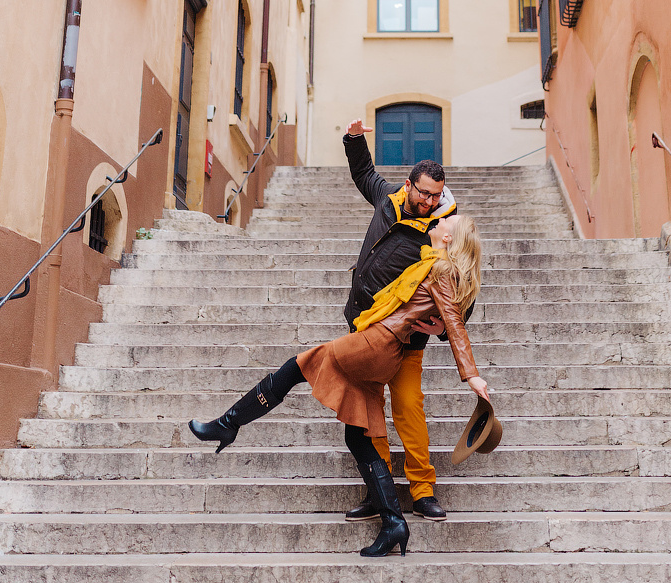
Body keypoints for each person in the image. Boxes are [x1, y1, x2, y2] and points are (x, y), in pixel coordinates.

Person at [189, 213, 488, 558]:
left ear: (449, 239)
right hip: (381, 346)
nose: (440, 221)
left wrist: (471, 374)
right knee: (357, 434)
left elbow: (454, 322)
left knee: (297, 366)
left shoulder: (440, 270)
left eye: (448, 222)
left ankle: (227, 424)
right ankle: (393, 521)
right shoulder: (429, 263)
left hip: (375, 344)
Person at [341, 119, 459, 522]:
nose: (428, 202)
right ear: (409, 184)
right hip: (366, 329)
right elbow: (363, 172)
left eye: (436, 196)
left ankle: (423, 491)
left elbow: (460, 287)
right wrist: (354, 138)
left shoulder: (443, 230)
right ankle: (378, 491)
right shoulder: (387, 198)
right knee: (369, 411)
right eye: (424, 193)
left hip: (407, 338)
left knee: (409, 409)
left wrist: (443, 327)